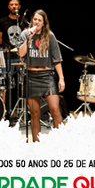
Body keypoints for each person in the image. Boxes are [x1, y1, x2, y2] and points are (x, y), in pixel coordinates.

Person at [17, 9, 65, 142]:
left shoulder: (50, 35)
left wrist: (61, 78)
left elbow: (57, 59)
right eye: (35, 19)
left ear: (44, 23)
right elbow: (21, 53)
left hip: (47, 76)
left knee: (55, 110)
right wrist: (29, 38)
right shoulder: (25, 34)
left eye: (39, 20)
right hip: (31, 76)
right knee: (34, 113)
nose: (36, 22)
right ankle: (36, 144)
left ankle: (62, 142)